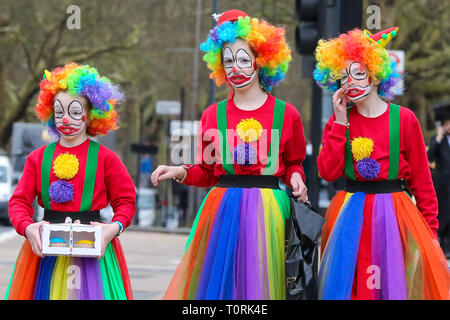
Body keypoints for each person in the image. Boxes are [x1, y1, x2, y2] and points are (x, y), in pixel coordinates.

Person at [151, 9, 308, 300]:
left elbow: (293, 163)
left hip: (269, 211)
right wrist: (180, 171)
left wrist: (297, 178)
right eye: (229, 61)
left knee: (261, 286)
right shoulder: (213, 115)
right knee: (223, 289)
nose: (236, 68)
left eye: (244, 60)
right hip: (223, 209)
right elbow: (209, 171)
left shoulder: (287, 114)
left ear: (261, 62)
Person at [314, 27, 450, 299]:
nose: (350, 82)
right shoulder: (340, 120)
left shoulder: (405, 119)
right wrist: (340, 123)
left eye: (358, 73)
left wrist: (431, 235)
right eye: (343, 76)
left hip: (394, 213)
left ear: (375, 75)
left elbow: (422, 183)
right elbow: (327, 171)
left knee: (389, 287)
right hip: (350, 216)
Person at [5, 63, 136, 300]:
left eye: (75, 112)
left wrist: (113, 228)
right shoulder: (37, 158)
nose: (65, 119)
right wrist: (27, 226)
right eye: (59, 112)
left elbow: (126, 201)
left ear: (91, 115)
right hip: (47, 256)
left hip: (93, 255)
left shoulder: (107, 159)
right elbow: (18, 202)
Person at [428, 103, 450, 258]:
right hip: (441, 183)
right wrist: (438, 137)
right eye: (447, 123)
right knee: (442, 212)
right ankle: (441, 244)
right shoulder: (438, 140)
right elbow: (429, 158)